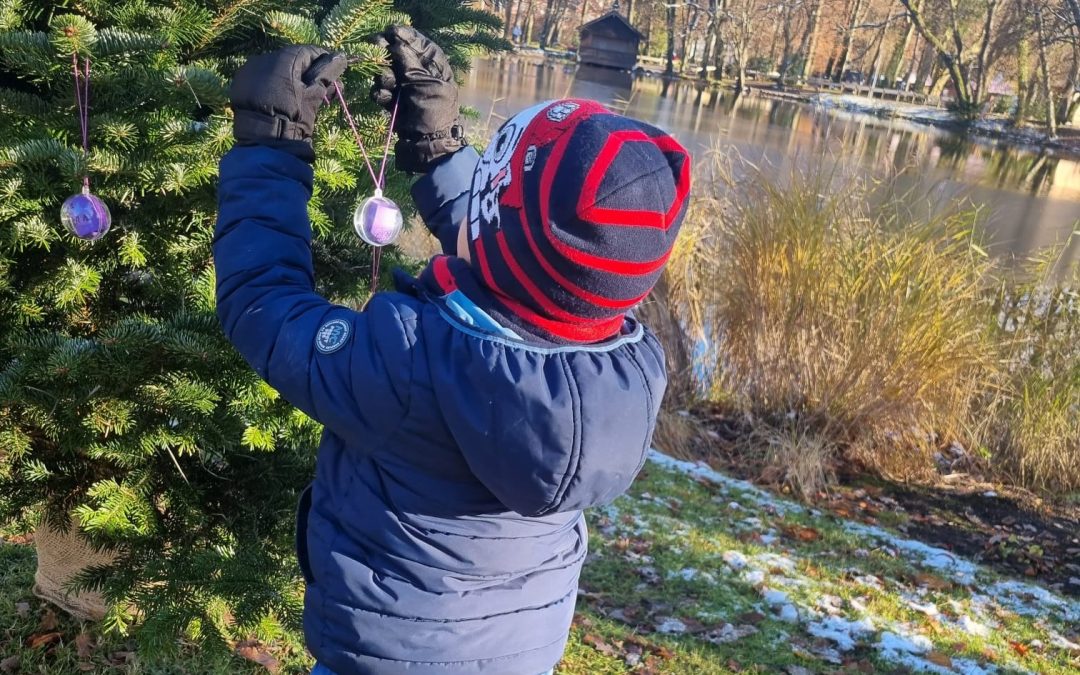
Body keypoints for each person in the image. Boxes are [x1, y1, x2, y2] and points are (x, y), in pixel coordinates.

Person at [215, 26, 690, 675]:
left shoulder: (411, 364)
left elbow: (264, 303)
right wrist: (439, 149)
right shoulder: (630, 359)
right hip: (516, 654)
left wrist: (271, 145)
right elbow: (515, 250)